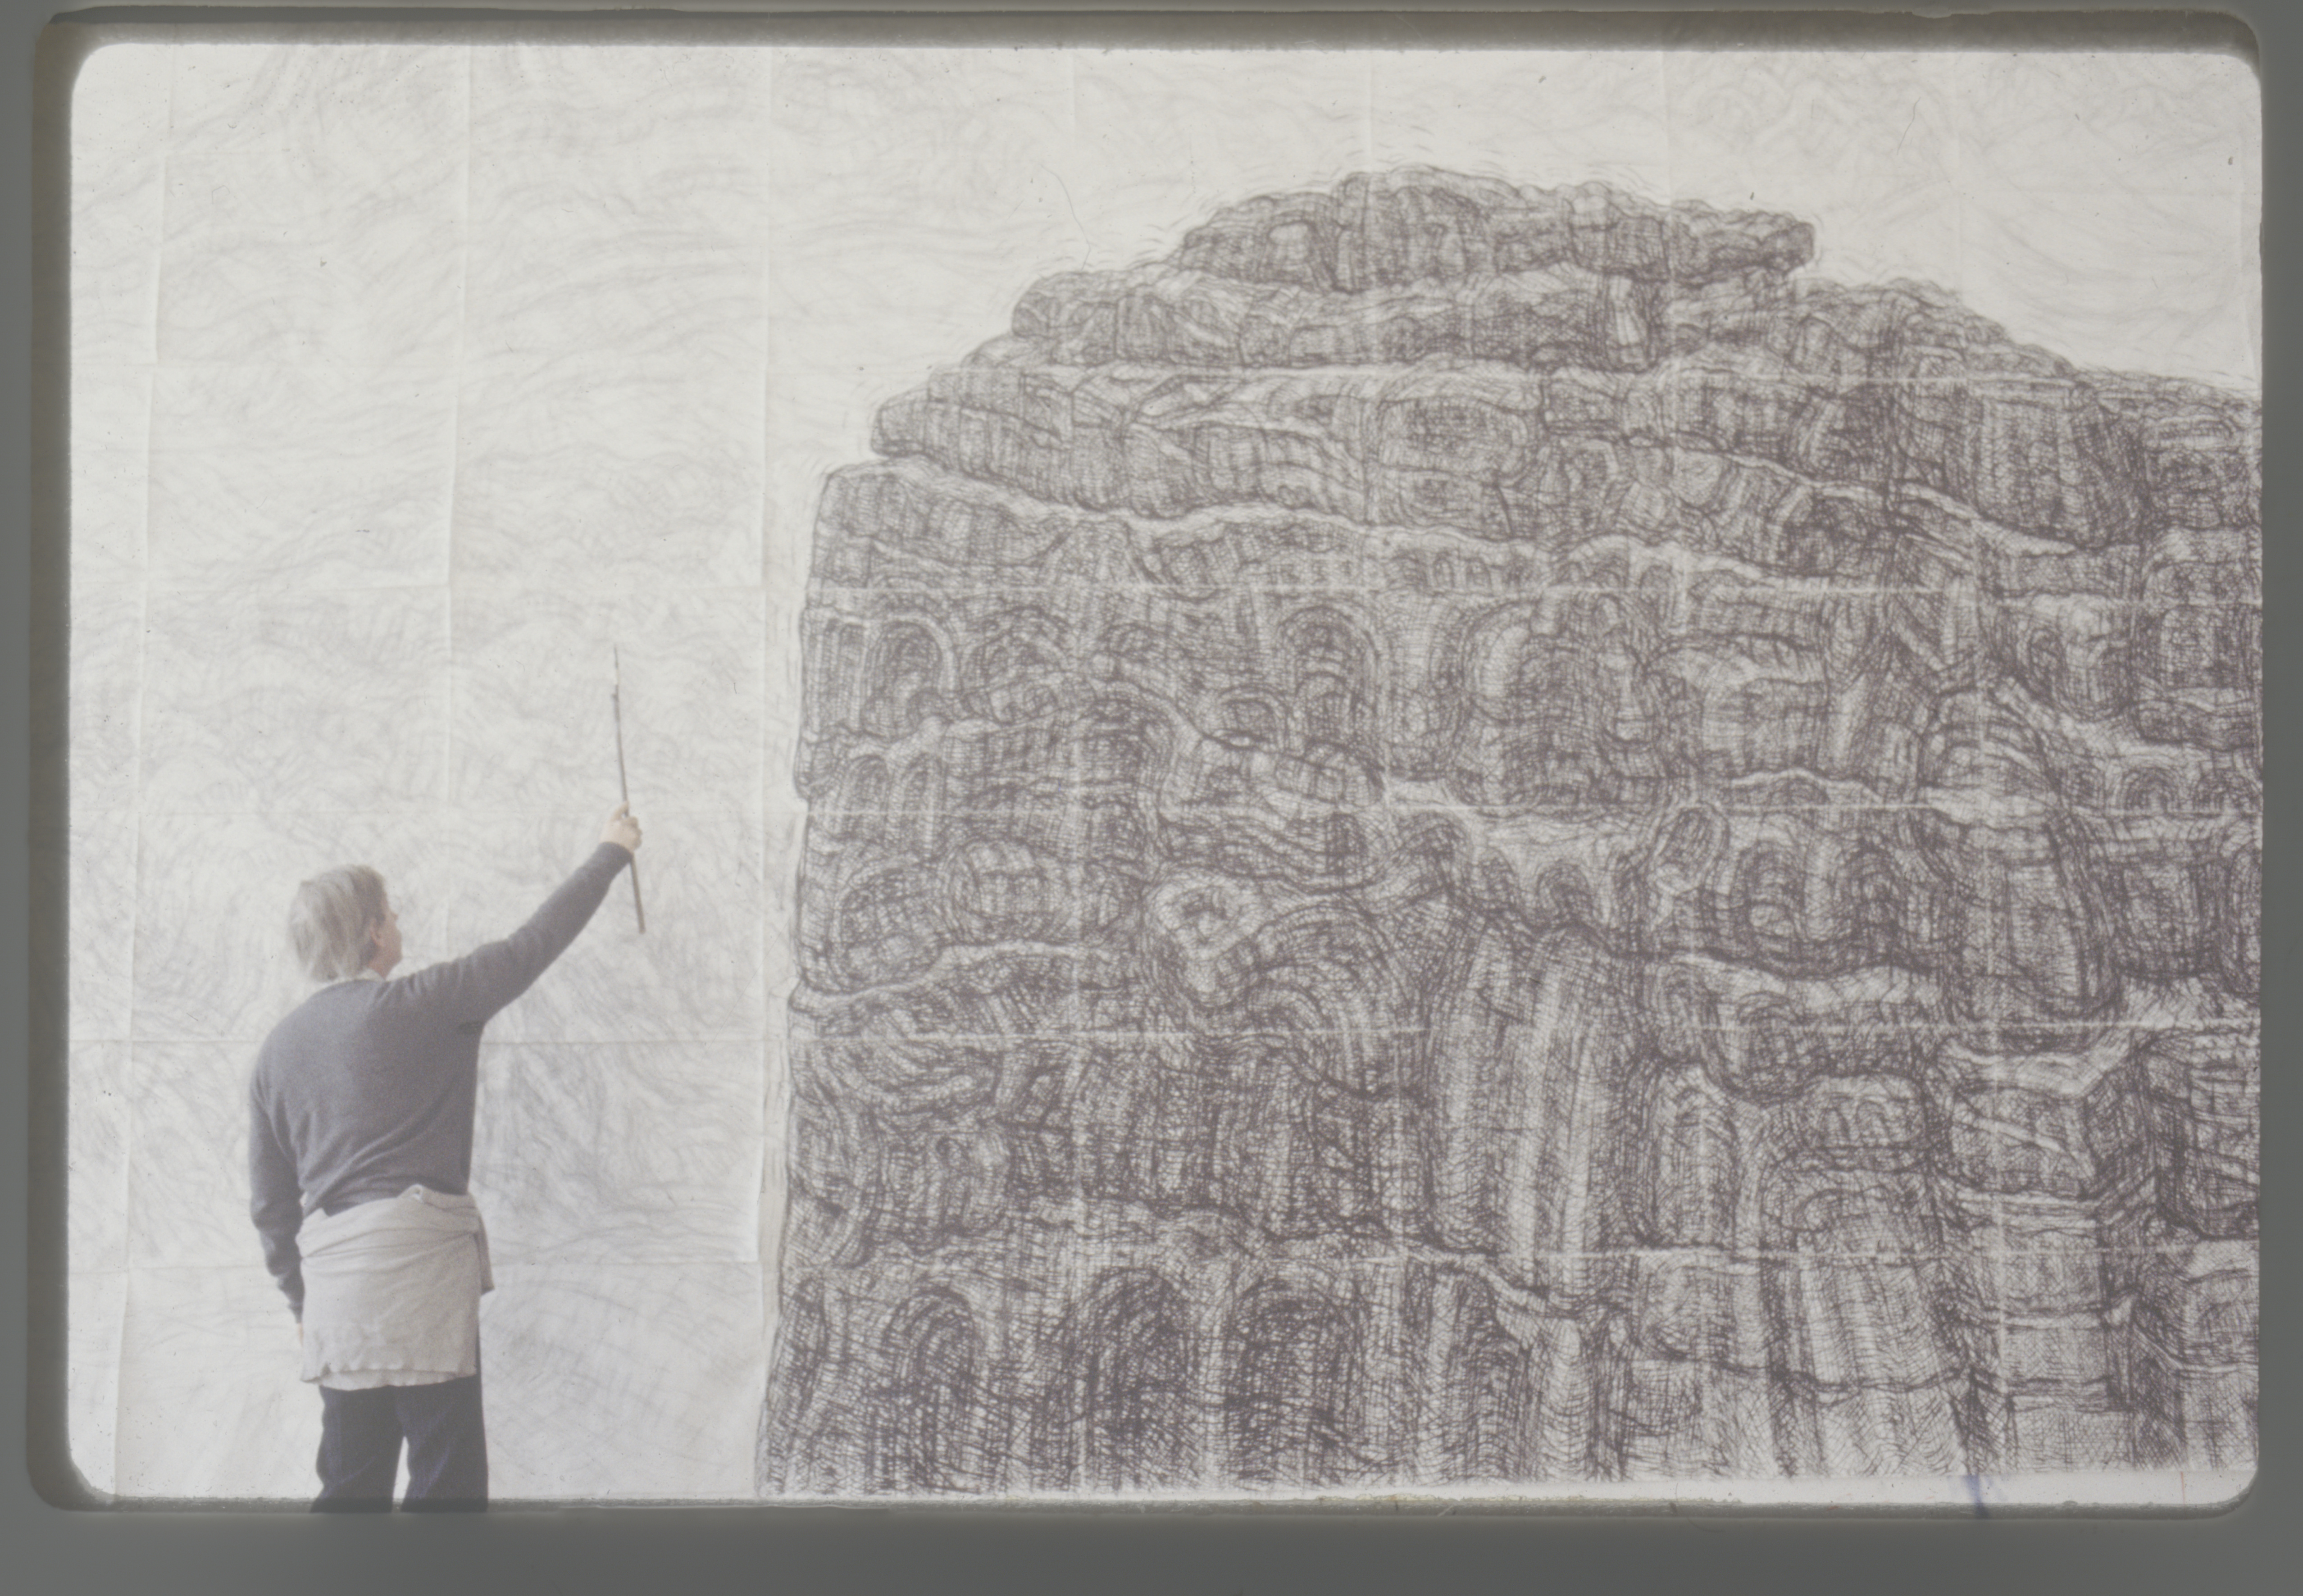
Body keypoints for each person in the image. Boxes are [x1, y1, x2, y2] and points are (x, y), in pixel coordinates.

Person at [248, 804, 643, 1510]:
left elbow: (272, 1206)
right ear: (372, 931)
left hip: (336, 1288)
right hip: (424, 1269)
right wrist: (611, 851)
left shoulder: (275, 1052)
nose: (399, 925)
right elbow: (533, 944)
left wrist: (300, 1300)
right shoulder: (428, 1002)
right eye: (391, 914)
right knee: (446, 1483)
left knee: (348, 1484)